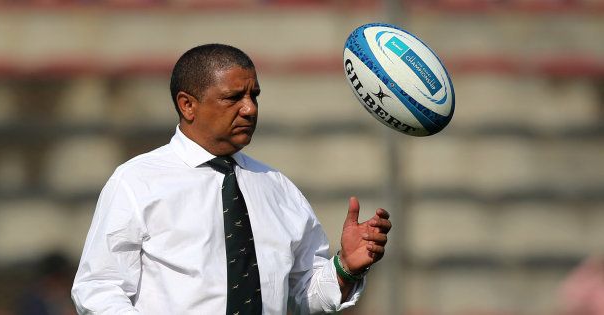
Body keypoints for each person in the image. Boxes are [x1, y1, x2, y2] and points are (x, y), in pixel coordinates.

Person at [71, 43, 392, 314]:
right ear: (188, 105)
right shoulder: (137, 181)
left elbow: (303, 292)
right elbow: (99, 287)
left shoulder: (277, 187)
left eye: (254, 95)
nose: (250, 109)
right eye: (233, 97)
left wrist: (345, 268)